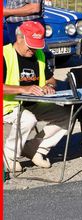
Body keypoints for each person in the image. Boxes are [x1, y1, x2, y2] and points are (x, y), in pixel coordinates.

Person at [3, 21, 69, 171]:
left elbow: (51, 79)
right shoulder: (4, 55)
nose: (33, 49)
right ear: (19, 38)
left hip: (33, 103)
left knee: (66, 115)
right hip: (7, 105)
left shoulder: (39, 54)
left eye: (36, 45)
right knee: (27, 119)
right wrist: (25, 89)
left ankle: (35, 149)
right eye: (30, 45)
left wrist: (50, 86)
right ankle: (9, 155)